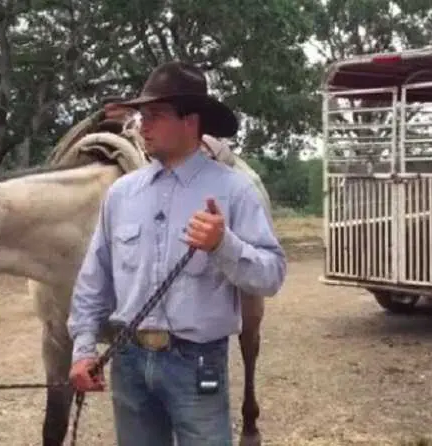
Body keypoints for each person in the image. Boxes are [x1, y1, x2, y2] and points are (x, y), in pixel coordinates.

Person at [67, 61, 287, 446]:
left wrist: (224, 245)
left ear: (191, 121)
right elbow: (94, 278)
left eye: (155, 115)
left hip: (197, 361)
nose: (141, 126)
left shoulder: (235, 191)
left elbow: (272, 275)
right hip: (129, 362)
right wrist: (84, 349)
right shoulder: (121, 195)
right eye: (140, 116)